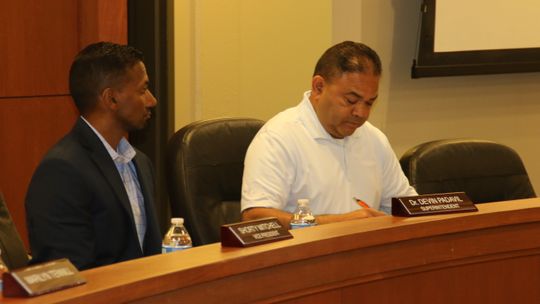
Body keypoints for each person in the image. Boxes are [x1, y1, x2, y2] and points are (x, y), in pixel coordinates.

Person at [241, 41, 417, 227]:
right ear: (319, 87)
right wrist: (336, 223)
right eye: (351, 100)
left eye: (369, 103)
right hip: (303, 254)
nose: (361, 113)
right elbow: (255, 219)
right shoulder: (278, 138)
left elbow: (405, 208)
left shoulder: (374, 139)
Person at [25, 42, 162, 270]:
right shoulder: (61, 171)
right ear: (111, 99)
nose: (152, 100)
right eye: (142, 90)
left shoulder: (140, 162)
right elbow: (68, 276)